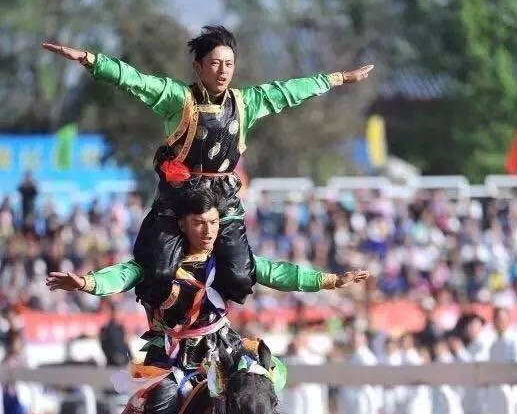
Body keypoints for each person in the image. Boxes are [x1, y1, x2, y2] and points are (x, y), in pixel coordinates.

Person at [46, 187, 369, 414]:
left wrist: (330, 280)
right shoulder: (157, 265)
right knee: (161, 409)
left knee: (261, 389)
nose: (208, 230)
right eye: (199, 223)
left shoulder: (230, 261)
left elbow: (279, 272)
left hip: (223, 351)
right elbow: (121, 275)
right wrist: (86, 283)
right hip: (171, 360)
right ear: (182, 224)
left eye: (214, 222)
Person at [42, 27, 373, 308]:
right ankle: (167, 326)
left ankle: (212, 317)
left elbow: (288, 91)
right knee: (155, 273)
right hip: (178, 199)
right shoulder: (178, 99)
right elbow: (135, 81)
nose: (223, 70)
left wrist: (338, 78)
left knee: (242, 276)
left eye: (229, 64)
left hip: (223, 199)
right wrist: (91, 60)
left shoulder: (247, 103)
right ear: (198, 67)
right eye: (215, 63)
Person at [99, 303, 131, 367]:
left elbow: (126, 345)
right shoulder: (106, 329)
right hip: (113, 361)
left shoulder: (122, 328)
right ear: (113, 314)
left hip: (124, 359)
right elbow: (104, 345)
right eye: (118, 313)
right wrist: (110, 357)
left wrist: (130, 357)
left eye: (120, 313)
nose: (120, 315)